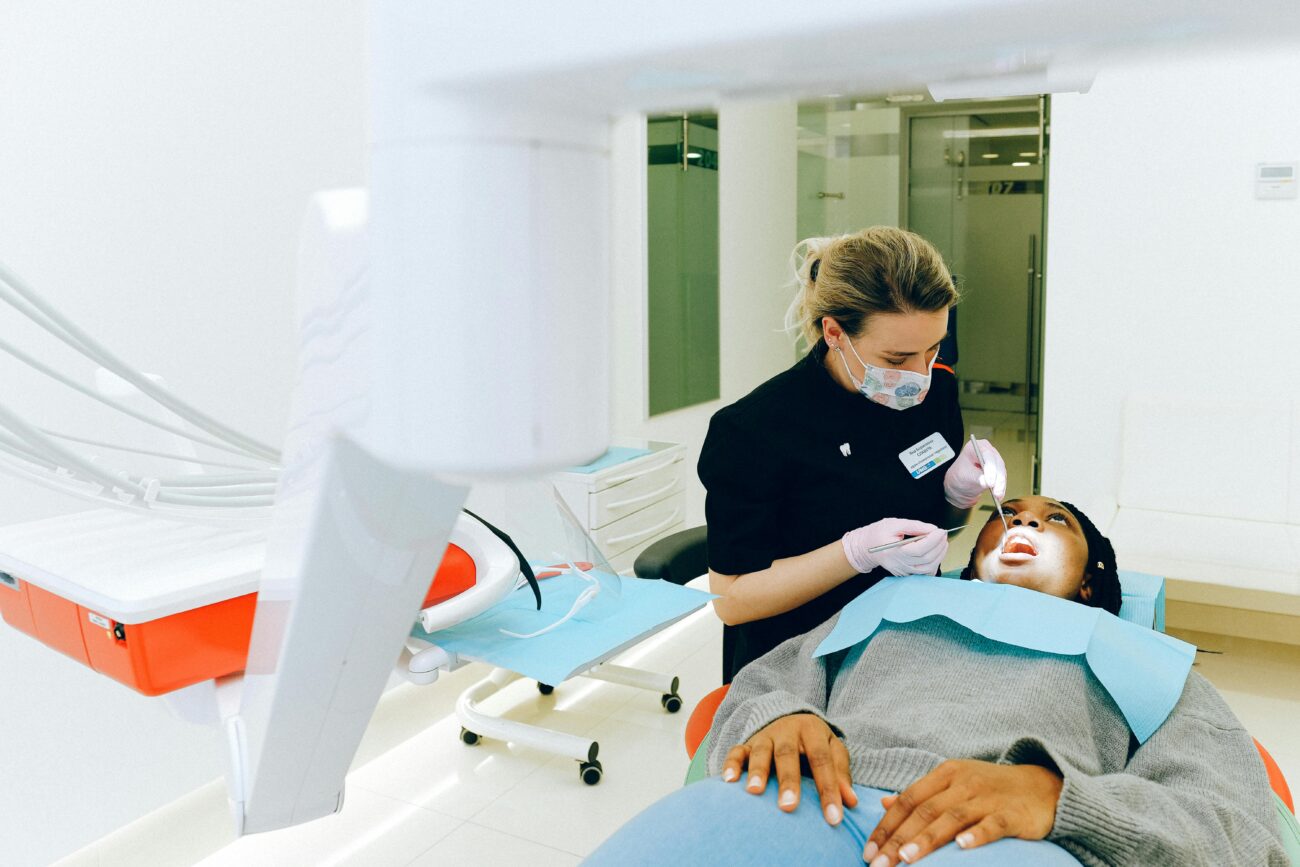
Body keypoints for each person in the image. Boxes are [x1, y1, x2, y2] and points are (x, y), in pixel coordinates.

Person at [585, 497, 1288, 866]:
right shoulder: (891, 601)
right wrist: (780, 717)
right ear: (972, 556)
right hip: (808, 798)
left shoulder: (1145, 654)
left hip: (1013, 839)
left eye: (1055, 521)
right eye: (1010, 515)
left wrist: (1063, 800)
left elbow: (1240, 833)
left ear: (1090, 581)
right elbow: (761, 683)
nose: (1025, 522)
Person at [698, 227, 1008, 683]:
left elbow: (936, 527)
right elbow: (733, 601)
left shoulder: (936, 390)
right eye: (897, 359)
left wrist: (958, 496)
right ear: (835, 333)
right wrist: (856, 553)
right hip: (797, 661)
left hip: (903, 641)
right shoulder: (753, 430)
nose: (920, 375)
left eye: (933, 348)